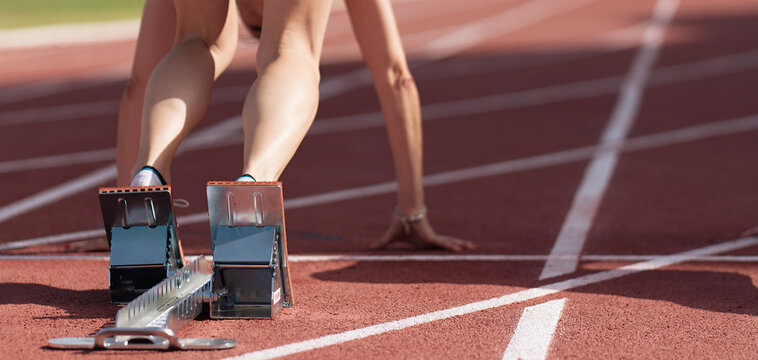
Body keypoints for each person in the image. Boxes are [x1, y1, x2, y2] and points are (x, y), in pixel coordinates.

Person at [84, 0, 474, 252]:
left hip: (139, 179)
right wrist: (410, 210)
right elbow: (398, 78)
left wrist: (124, 228)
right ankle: (252, 187)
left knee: (196, 41)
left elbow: (138, 84)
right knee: (290, 49)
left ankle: (147, 176)